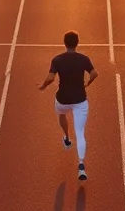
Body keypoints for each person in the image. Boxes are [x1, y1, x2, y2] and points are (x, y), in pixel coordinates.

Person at [38, 30, 98, 182]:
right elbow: (94, 73)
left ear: (64, 43)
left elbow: (51, 78)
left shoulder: (57, 60)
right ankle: (81, 165)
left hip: (63, 99)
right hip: (80, 100)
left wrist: (44, 86)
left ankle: (66, 138)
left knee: (62, 115)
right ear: (77, 43)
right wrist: (87, 84)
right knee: (81, 132)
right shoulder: (84, 59)